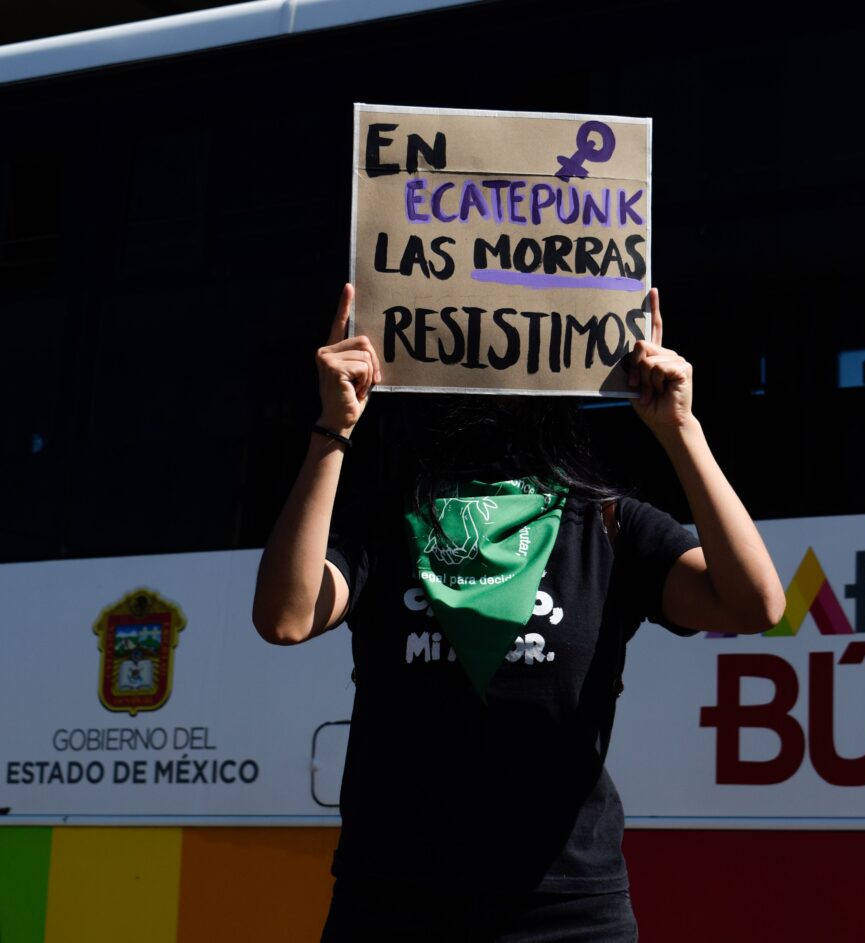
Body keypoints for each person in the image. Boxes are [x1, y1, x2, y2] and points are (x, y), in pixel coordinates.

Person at [252, 284, 785, 942]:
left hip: (566, 913)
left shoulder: (610, 525)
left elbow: (755, 603)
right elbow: (285, 616)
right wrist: (332, 430)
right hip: (392, 903)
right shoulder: (388, 524)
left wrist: (681, 431)